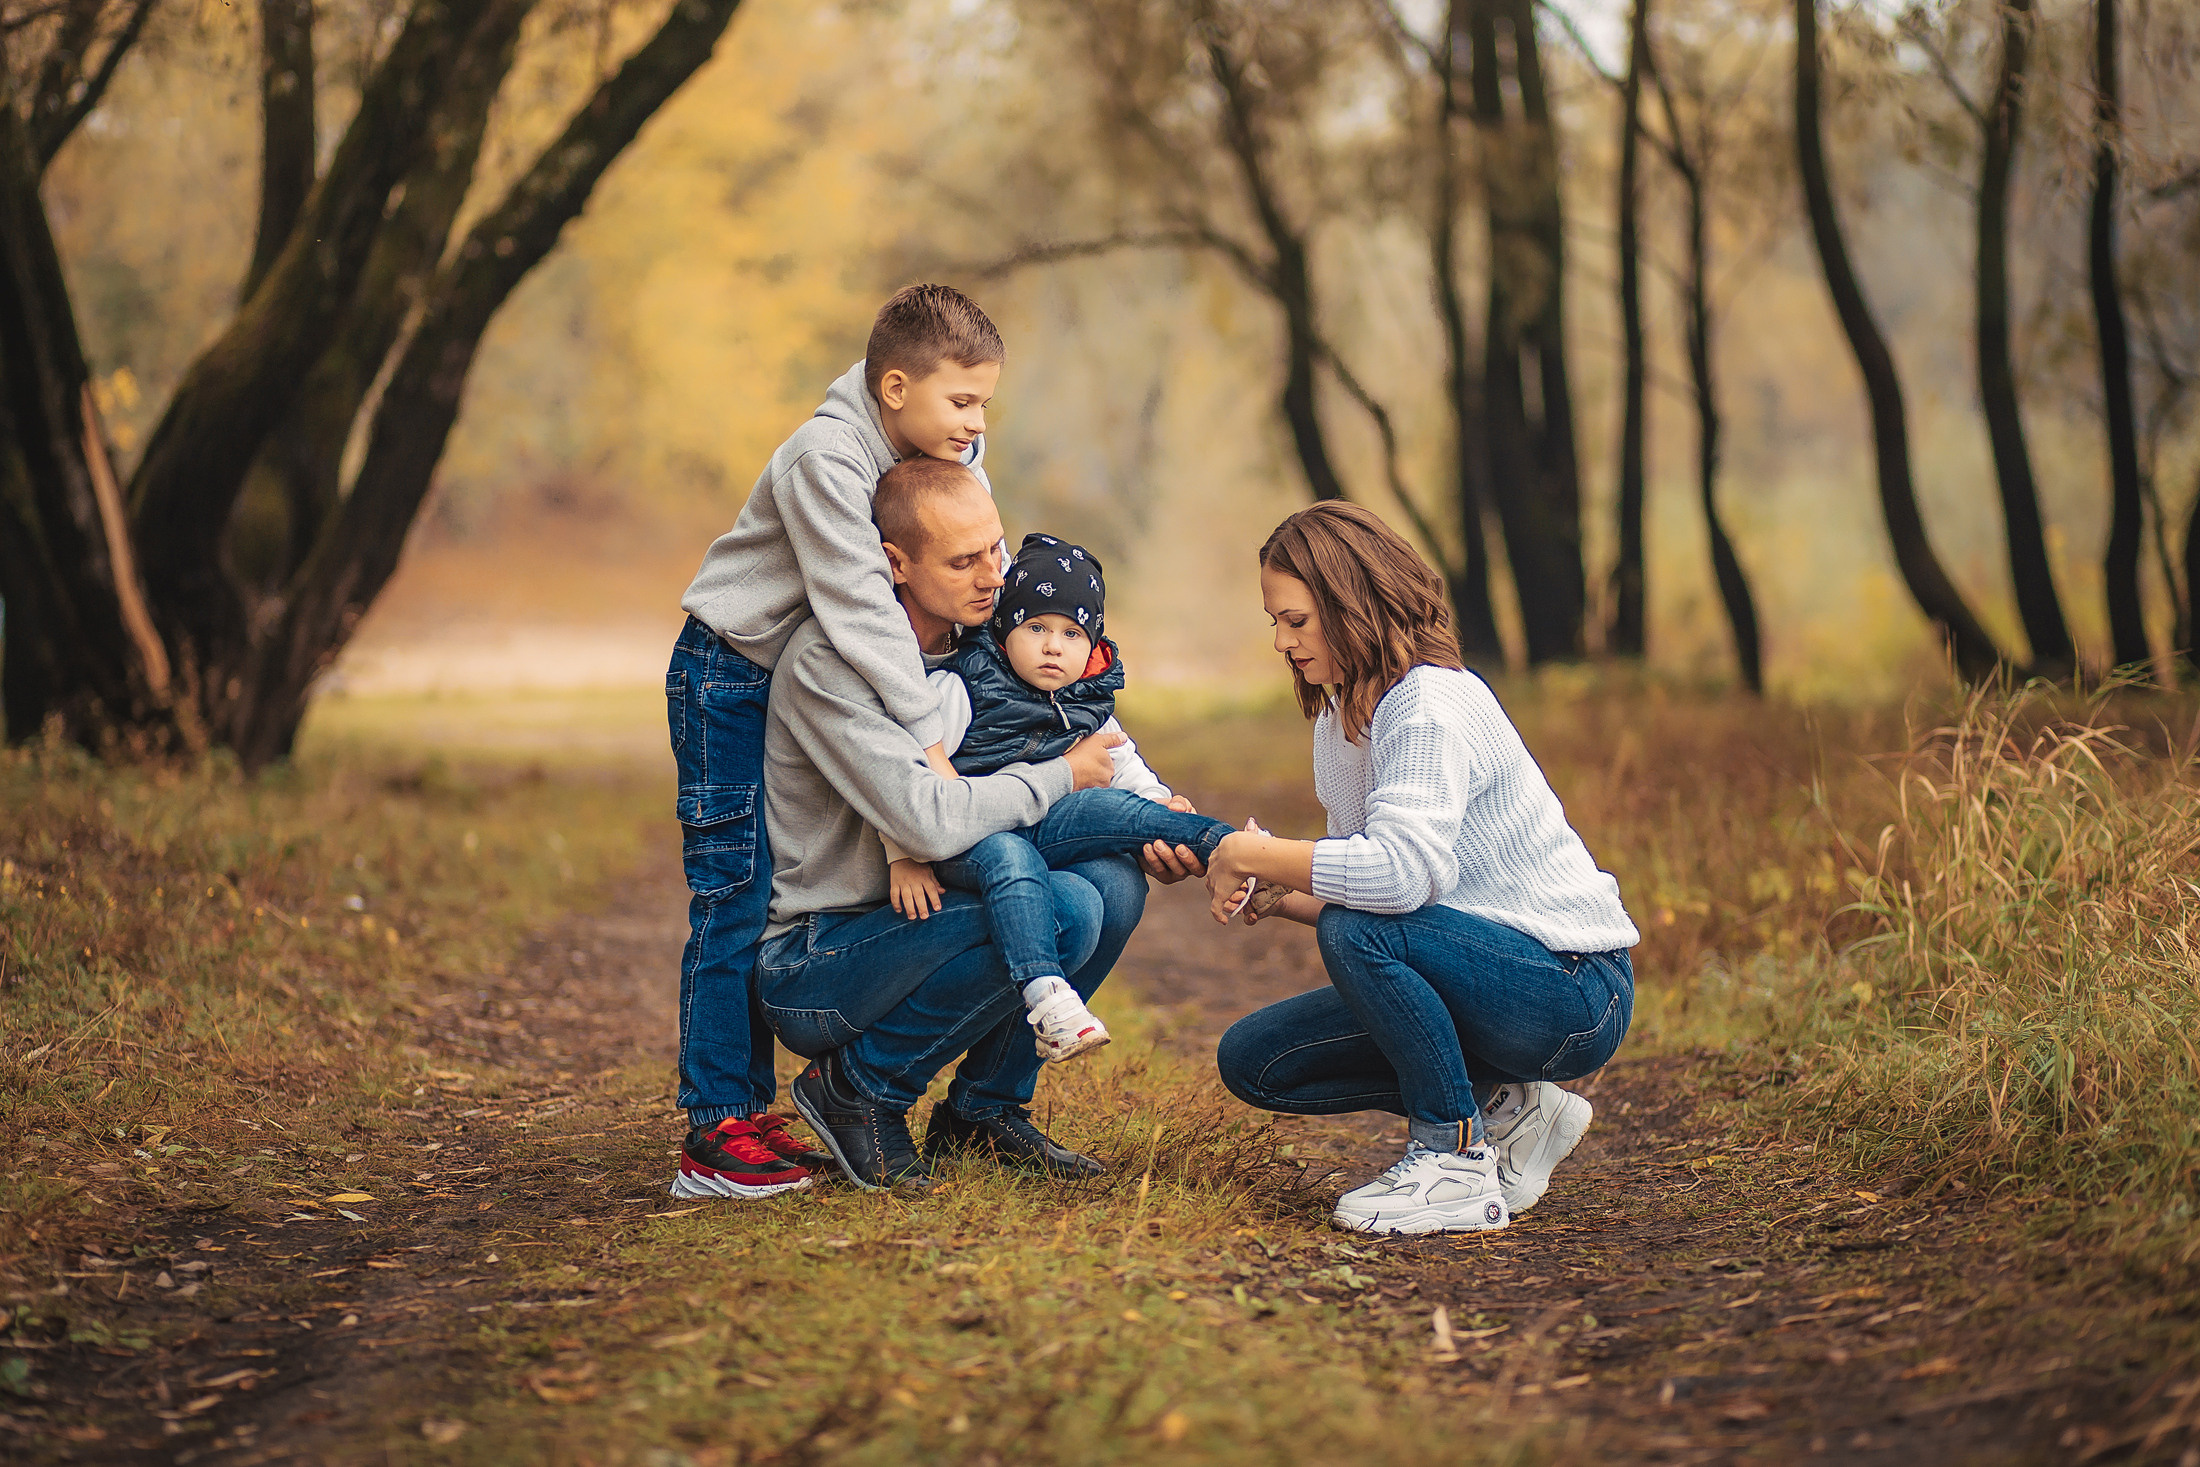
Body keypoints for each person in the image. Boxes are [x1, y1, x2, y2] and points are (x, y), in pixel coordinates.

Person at [757, 465, 1208, 1192]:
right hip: (821, 957)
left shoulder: (981, 649)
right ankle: (859, 1087)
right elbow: (931, 820)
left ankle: (983, 1108)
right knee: (1063, 906)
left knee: (1111, 885)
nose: (993, 579)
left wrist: (1154, 819)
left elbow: (1077, 747)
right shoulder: (831, 663)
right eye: (964, 561)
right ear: (895, 564)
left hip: (923, 909)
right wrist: (1066, 773)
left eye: (995, 552)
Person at [1205, 502, 1640, 1235]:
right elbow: (1377, 897)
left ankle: (1454, 1158)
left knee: (1355, 928)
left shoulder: (1430, 702)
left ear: (1354, 605)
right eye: (1275, 622)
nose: (1281, 641)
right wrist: (1282, 893)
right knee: (1257, 1059)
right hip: (1489, 978)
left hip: (1573, 988)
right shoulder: (1340, 721)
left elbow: (1396, 881)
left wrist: (1253, 851)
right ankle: (1510, 1106)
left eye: (1297, 619)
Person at [663, 284, 1005, 1201]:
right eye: (961, 401)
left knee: (766, 880)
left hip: (799, 675)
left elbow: (967, 541)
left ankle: (752, 1109)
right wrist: (932, 735)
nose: (975, 425)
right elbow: (861, 610)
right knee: (733, 891)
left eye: (984, 404)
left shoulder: (935, 446)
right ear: (894, 387)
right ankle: (714, 1132)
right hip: (728, 675)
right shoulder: (826, 457)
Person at [870, 507, 1248, 1062]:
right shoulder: (963, 688)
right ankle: (1046, 996)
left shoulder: (1088, 705)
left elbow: (1127, 767)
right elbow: (906, 774)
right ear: (1005, 629)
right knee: (1011, 856)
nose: (1053, 646)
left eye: (1072, 633)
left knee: (1117, 809)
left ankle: (1223, 845)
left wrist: (1159, 802)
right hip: (968, 842)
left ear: (1092, 645)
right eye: (1036, 628)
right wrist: (901, 854)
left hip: (1043, 826)